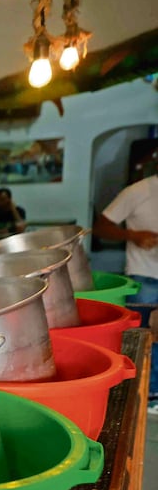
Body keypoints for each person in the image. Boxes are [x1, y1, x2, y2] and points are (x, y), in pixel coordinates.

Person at [92, 172, 158, 404]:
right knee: (143, 338)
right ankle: (146, 397)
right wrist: (133, 235)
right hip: (146, 276)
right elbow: (101, 228)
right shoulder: (139, 191)